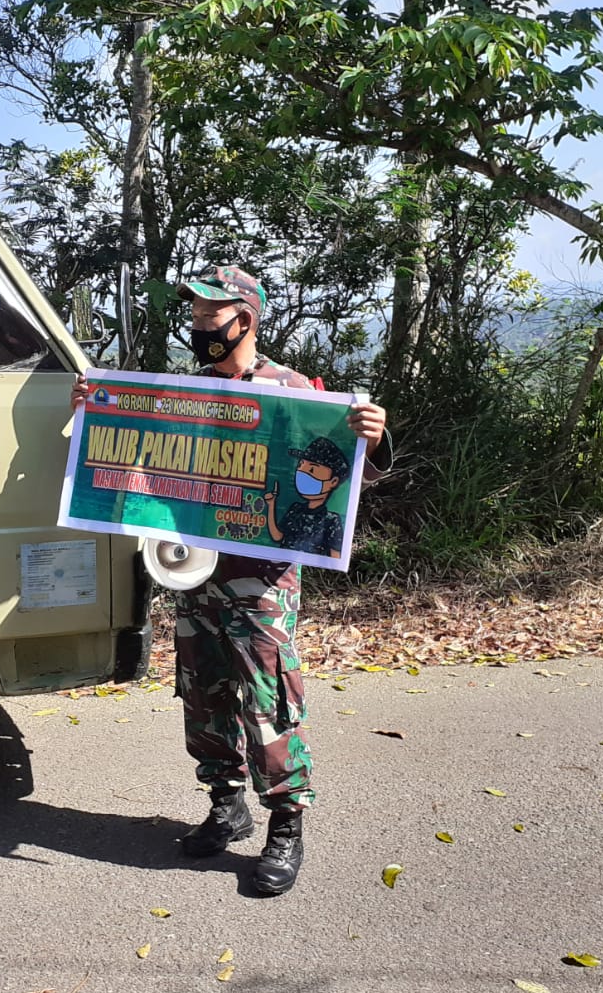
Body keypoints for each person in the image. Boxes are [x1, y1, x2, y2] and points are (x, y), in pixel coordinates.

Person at [70, 264, 390, 896]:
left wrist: (373, 443)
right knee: (202, 693)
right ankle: (225, 802)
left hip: (260, 582)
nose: (197, 324)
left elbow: (352, 479)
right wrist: (94, 413)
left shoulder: (294, 391)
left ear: (244, 319)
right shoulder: (183, 395)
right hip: (192, 574)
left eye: (208, 315)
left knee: (267, 700)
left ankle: (285, 825)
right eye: (193, 315)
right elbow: (136, 464)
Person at [264, 435, 353, 559]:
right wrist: (271, 504)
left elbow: (335, 558)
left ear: (333, 481)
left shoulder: (331, 521)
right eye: (300, 465)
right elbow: (277, 536)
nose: (302, 472)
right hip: (279, 564)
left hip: (298, 572)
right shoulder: (295, 509)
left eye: (311, 470)